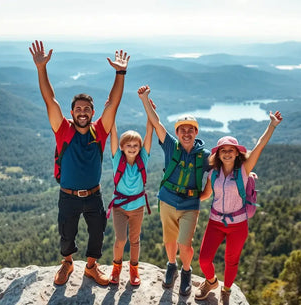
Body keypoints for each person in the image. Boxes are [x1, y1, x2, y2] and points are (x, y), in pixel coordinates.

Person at [29, 40, 130, 286]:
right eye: (78, 109)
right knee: (67, 234)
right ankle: (67, 264)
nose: (82, 112)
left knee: (97, 232)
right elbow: (50, 99)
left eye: (86, 109)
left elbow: (113, 103)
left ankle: (91, 267)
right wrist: (41, 68)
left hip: (93, 195)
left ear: (92, 113)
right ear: (72, 113)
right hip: (68, 195)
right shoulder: (63, 130)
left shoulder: (100, 131)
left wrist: (120, 72)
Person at [195, 111, 283, 304]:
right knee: (204, 259)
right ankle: (211, 282)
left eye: (231, 150)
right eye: (223, 150)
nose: (227, 153)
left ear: (237, 153)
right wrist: (184, 200)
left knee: (231, 261)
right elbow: (206, 195)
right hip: (215, 222)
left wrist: (272, 125)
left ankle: (226, 290)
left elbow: (259, 146)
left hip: (238, 224)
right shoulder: (213, 174)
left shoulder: (244, 170)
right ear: (218, 153)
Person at [139, 85, 212, 296]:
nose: (186, 133)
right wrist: (145, 99)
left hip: (190, 205)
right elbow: (156, 123)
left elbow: (225, 166)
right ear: (177, 132)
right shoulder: (171, 145)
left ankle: (186, 271)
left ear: (196, 132)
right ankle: (171, 265)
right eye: (182, 130)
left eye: (190, 130)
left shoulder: (205, 155)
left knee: (185, 244)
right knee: (169, 239)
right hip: (167, 200)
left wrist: (247, 176)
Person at [107, 86, 154, 286]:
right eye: (129, 145)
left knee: (135, 240)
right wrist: (111, 110)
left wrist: (149, 110)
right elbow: (113, 132)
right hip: (119, 207)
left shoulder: (144, 158)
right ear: (122, 147)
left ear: (140, 147)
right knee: (120, 240)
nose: (133, 148)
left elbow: (149, 131)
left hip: (137, 207)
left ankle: (134, 269)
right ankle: (116, 268)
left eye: (136, 145)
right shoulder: (117, 159)